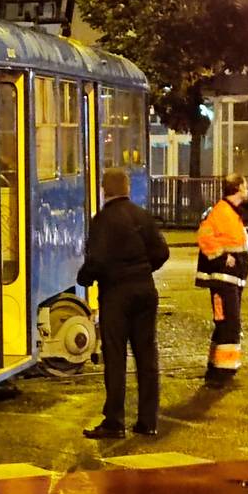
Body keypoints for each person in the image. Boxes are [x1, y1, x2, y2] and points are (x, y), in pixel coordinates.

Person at [77, 168, 170, 439]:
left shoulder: (102, 221)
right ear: (127, 189)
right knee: (147, 357)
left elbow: (97, 261)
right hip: (144, 290)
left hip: (116, 294)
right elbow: (162, 252)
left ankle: (115, 421)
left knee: (116, 358)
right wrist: (143, 269)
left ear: (105, 190)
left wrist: (85, 277)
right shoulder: (142, 216)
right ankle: (148, 421)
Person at [195, 173, 248, 388]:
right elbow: (204, 236)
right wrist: (221, 256)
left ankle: (217, 368)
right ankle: (222, 373)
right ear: (237, 188)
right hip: (222, 280)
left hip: (230, 280)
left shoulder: (231, 212)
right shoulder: (222, 212)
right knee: (229, 324)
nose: (247, 190)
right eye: (245, 186)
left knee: (225, 325)